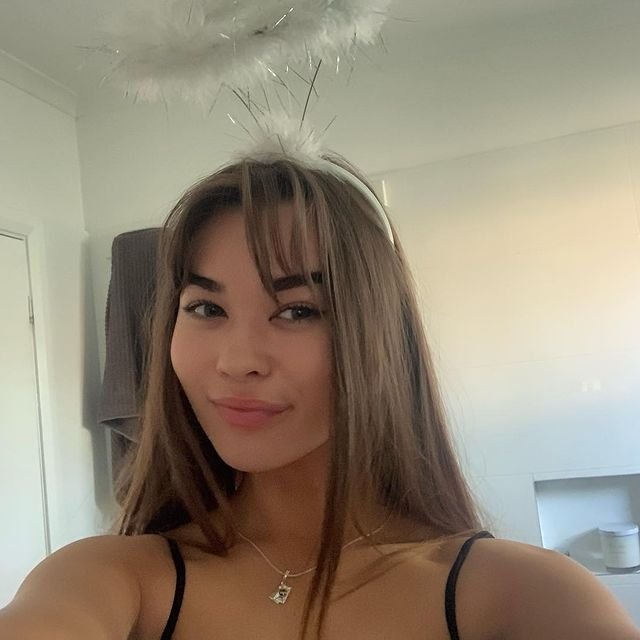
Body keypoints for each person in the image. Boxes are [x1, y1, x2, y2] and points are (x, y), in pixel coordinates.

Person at [1, 152, 639, 640]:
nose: (238, 361)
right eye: (205, 308)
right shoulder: (110, 580)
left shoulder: (519, 596)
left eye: (298, 311)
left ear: (377, 336)